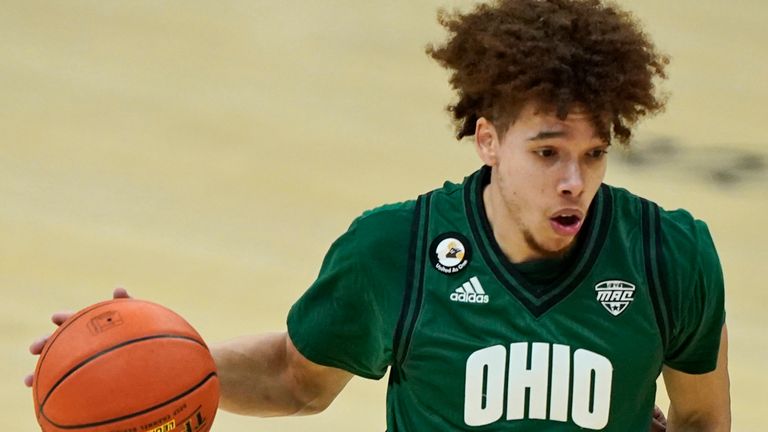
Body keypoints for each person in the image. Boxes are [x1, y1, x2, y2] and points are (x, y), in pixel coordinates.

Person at [27, 0, 730, 430]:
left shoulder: (668, 255)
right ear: (488, 141)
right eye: (547, 153)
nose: (574, 182)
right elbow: (294, 378)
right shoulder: (396, 250)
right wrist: (147, 363)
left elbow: (702, 416)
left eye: (594, 154)